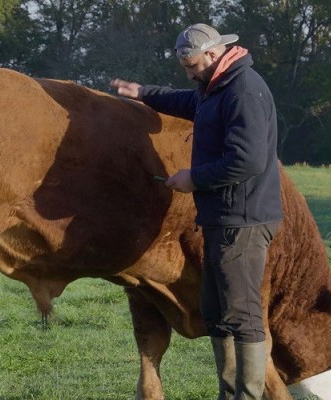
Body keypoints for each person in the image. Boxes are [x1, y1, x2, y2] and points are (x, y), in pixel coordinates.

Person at [110, 23, 282, 400]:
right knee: (216, 309)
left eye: (191, 66)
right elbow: (187, 102)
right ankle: (228, 392)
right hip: (223, 216)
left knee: (242, 313)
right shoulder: (214, 87)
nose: (189, 74)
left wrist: (194, 179)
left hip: (244, 219)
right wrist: (143, 94)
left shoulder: (243, 90)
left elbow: (247, 161)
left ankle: (247, 396)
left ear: (212, 53)